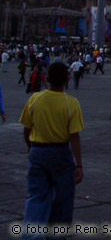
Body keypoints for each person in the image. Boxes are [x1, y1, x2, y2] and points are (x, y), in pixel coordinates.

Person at [19, 62, 84, 234]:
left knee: (35, 196)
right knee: (63, 198)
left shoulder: (35, 99)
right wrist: (79, 164)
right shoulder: (71, 103)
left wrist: (30, 149)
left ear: (47, 79)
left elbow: (26, 129)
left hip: (38, 150)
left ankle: (31, 236)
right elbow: (74, 136)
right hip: (61, 152)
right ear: (67, 79)